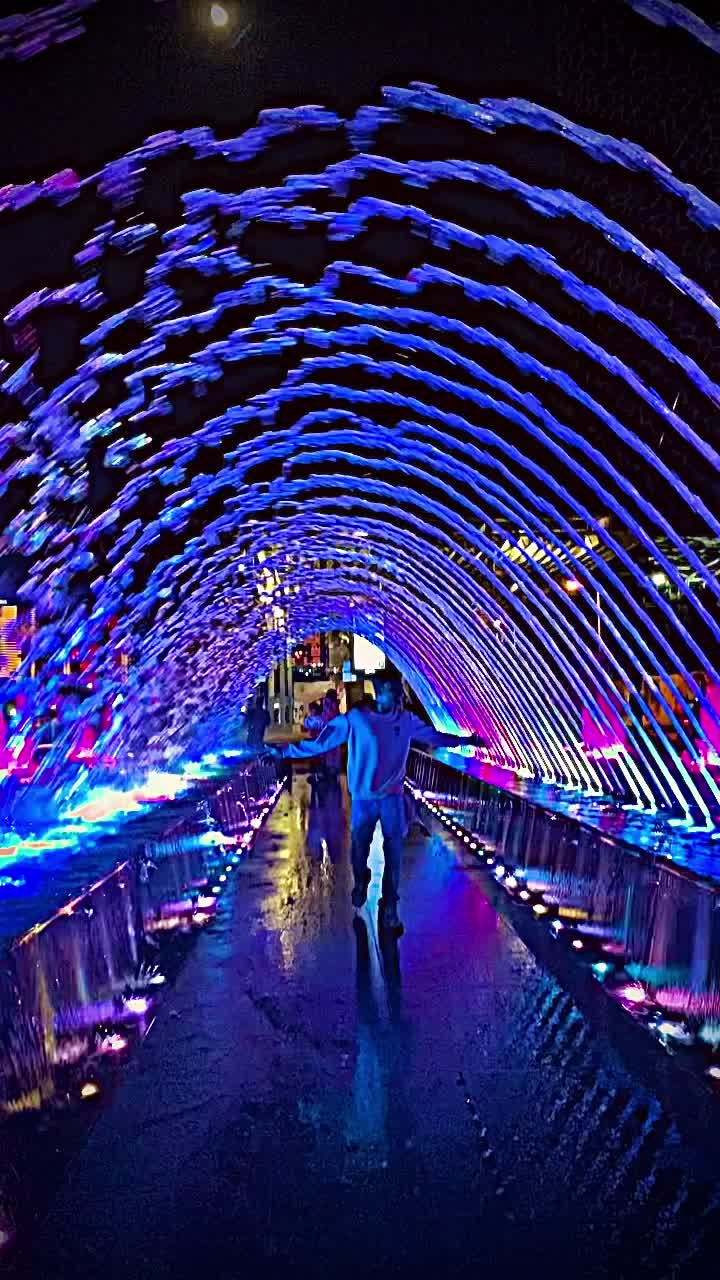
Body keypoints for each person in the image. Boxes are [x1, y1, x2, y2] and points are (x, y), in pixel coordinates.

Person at [270, 676, 484, 933]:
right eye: (395, 692)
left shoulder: (405, 720)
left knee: (394, 851)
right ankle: (361, 879)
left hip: (392, 797)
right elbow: (322, 742)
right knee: (359, 848)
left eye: (400, 693)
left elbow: (434, 737)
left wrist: (465, 741)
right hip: (364, 799)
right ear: (381, 694)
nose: (401, 697)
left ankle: (391, 904)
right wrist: (286, 751)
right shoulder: (357, 719)